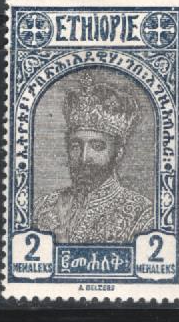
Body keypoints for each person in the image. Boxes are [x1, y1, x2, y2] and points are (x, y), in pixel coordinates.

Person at [34, 73, 153, 243]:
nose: (84, 158)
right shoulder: (43, 207)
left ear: (118, 152)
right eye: (76, 146)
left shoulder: (142, 214)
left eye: (97, 146)